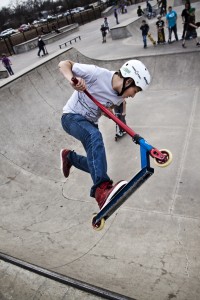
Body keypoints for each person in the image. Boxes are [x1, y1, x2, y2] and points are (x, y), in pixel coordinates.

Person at [59, 59, 151, 210]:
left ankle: (69, 157)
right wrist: (73, 81)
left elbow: (106, 106)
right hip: (71, 117)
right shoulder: (97, 74)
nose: (133, 96)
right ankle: (101, 191)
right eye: (135, 91)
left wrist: (110, 113)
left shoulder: (120, 96)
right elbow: (63, 64)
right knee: (95, 137)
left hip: (89, 124)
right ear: (128, 81)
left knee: (98, 164)